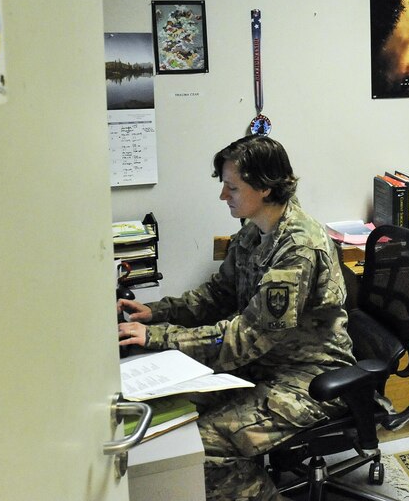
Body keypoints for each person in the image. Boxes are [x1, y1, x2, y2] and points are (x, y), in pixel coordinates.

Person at [117, 135, 356, 501]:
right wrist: (156, 312)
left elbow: (247, 337)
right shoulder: (254, 231)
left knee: (202, 449)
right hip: (263, 365)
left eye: (232, 187)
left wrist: (158, 337)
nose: (223, 195)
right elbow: (218, 294)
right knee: (169, 418)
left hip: (307, 378)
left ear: (264, 187)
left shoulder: (298, 248)